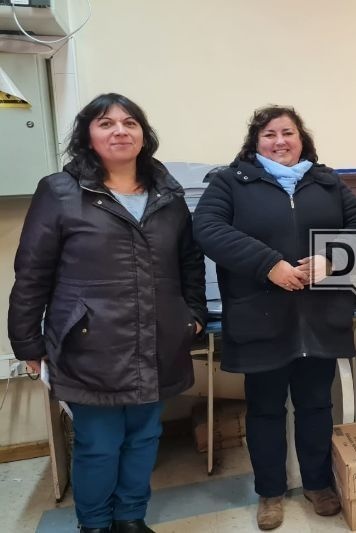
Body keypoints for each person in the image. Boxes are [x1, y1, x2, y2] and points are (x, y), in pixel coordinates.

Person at [7, 93, 206, 533]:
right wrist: (27, 342)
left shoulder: (167, 193)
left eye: (130, 122)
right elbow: (32, 273)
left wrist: (191, 313)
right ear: (87, 136)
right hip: (89, 342)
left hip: (157, 339)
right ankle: (94, 524)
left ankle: (131, 519)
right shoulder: (60, 191)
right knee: (99, 444)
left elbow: (189, 260)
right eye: (106, 122)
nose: (120, 130)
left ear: (143, 135)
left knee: (145, 438)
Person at [192, 106, 356, 530]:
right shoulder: (230, 182)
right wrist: (269, 264)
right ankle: (270, 492)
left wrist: (332, 259)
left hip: (319, 315)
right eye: (269, 134)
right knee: (266, 409)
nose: (279, 141)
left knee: (315, 405)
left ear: (301, 138)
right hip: (262, 314)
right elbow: (208, 228)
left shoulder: (325, 181)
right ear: (256, 143)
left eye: (287, 133)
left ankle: (317, 485)